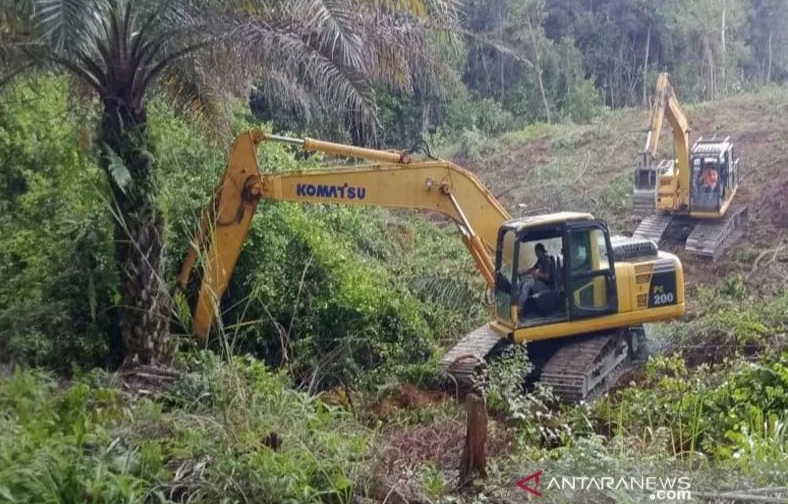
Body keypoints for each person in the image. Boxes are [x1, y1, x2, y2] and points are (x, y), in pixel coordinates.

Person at [518, 243, 554, 311]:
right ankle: (516, 302)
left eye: (536, 252)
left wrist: (537, 274)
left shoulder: (546, 260)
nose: (536, 254)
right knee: (522, 282)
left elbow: (547, 276)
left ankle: (521, 306)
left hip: (546, 285)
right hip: (539, 282)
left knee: (527, 285)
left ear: (540, 251)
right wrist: (523, 273)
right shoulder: (540, 259)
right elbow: (533, 269)